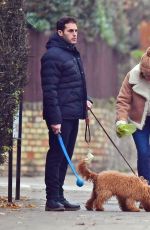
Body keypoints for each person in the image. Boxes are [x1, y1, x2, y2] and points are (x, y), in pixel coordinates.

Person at [41, 17, 92, 211]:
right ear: (60, 33)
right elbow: (50, 90)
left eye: (76, 30)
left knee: (65, 156)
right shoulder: (52, 56)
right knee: (56, 156)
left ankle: (59, 196)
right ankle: (51, 198)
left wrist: (86, 100)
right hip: (60, 116)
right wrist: (54, 120)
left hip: (72, 113)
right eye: (70, 31)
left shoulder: (71, 54)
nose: (75, 34)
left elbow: (73, 85)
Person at [116, 47, 150, 184]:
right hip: (138, 120)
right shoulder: (133, 75)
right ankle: (145, 189)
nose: (147, 77)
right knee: (143, 152)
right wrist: (121, 121)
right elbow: (123, 100)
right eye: (146, 74)